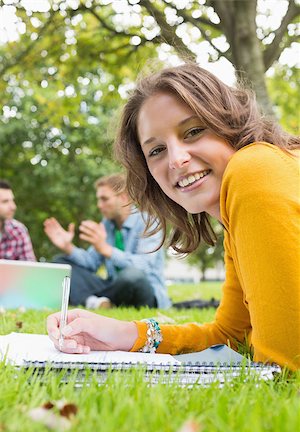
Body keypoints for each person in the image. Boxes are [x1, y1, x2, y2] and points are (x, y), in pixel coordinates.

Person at [47, 63, 300, 370]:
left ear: (229, 122)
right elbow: (232, 336)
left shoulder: (255, 169)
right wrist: (124, 334)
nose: (177, 160)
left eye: (194, 131)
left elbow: (287, 366)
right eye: (157, 151)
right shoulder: (236, 216)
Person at [44, 173, 170, 309]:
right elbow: (91, 263)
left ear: (123, 198)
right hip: (114, 288)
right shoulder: (106, 225)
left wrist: (106, 249)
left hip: (144, 290)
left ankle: (89, 299)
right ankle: (97, 302)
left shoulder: (149, 223)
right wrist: (68, 247)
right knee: (62, 264)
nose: (99, 205)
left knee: (132, 276)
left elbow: (143, 267)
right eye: (98, 200)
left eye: (104, 199)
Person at [0, 180, 36, 261]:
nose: (13, 207)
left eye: (12, 200)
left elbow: (30, 269)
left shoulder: (18, 230)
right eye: (5, 202)